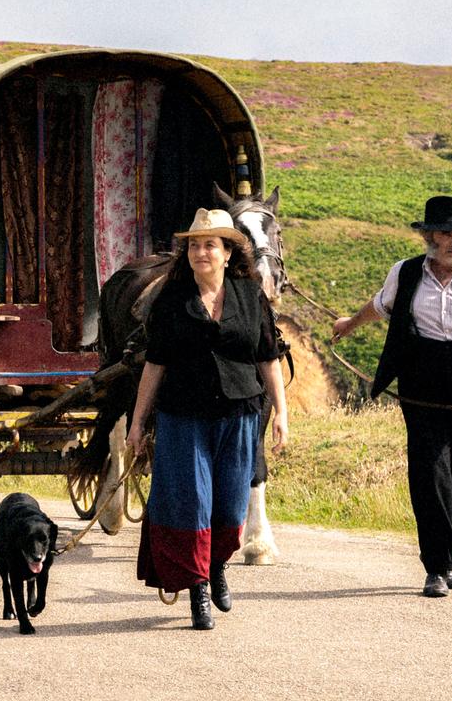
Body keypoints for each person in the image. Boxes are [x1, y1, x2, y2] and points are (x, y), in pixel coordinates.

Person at [332, 195, 452, 598]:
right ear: (429, 237)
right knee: (427, 471)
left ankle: (448, 556)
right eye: (447, 233)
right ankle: (436, 567)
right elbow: (381, 306)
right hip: (421, 384)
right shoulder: (405, 273)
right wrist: (350, 323)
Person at [127, 208, 289, 630]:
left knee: (233, 504)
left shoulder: (249, 296)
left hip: (239, 414)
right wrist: (137, 422)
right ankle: (198, 587)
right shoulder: (171, 301)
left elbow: (268, 358)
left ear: (228, 253)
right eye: (195, 245)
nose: (201, 252)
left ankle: (218, 565)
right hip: (183, 415)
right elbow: (155, 364)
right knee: (192, 503)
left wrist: (282, 413)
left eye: (210, 245)